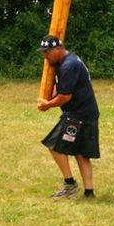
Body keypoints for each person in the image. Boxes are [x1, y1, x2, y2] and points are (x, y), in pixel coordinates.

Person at [37, 34, 100, 199]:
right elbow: (61, 88)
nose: (45, 56)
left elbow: (65, 96)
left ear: (58, 49)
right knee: (81, 153)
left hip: (77, 115)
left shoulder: (68, 66)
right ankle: (89, 192)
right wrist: (47, 98)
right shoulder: (66, 61)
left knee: (53, 145)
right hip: (87, 113)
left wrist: (47, 105)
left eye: (47, 52)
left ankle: (70, 184)